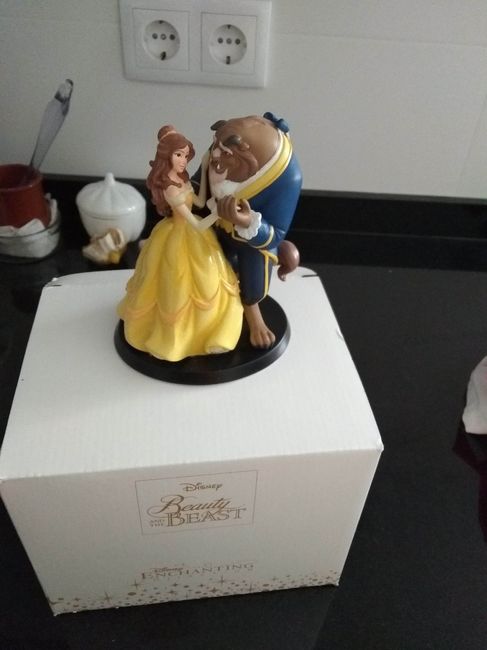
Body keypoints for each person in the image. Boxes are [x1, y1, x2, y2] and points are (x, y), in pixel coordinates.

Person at [118, 126, 243, 362]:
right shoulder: (169, 188)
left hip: (196, 233)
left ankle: (214, 329)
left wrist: (204, 168)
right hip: (181, 234)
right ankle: (174, 339)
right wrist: (219, 213)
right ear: (167, 156)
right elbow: (197, 225)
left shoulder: (182, 179)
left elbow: (199, 201)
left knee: (211, 279)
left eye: (186, 155)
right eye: (179, 155)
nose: (184, 160)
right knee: (176, 284)